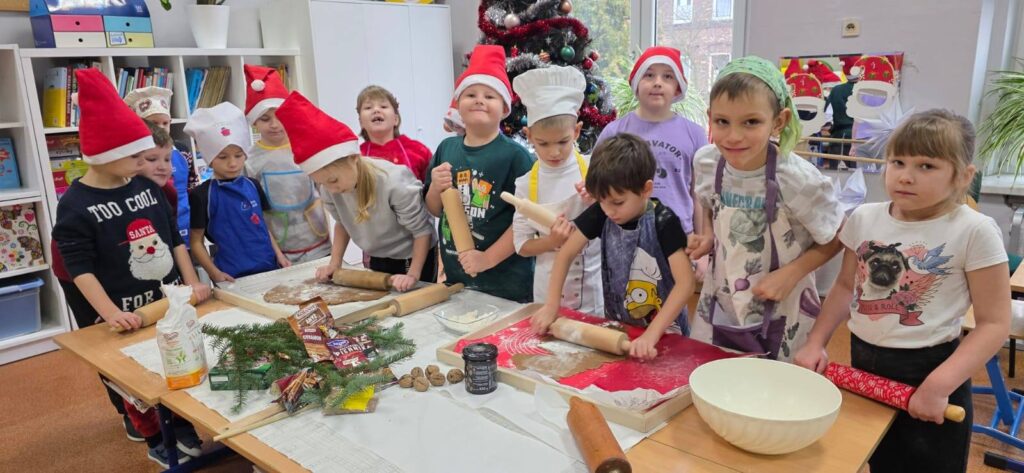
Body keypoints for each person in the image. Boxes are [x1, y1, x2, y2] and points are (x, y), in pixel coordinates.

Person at [795, 110, 1010, 473]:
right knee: (878, 458)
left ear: (963, 176)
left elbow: (994, 323)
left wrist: (938, 386)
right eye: (898, 161)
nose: (906, 176)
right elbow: (846, 286)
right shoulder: (865, 218)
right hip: (865, 363)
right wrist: (816, 341)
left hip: (933, 370)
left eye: (927, 166)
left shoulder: (974, 230)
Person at [52, 68, 210, 467]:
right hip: (122, 308)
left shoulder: (144, 187)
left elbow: (173, 238)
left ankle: (178, 418)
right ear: (105, 153)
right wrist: (111, 315)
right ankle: (154, 430)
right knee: (132, 376)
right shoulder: (75, 206)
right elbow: (80, 269)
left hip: (166, 299)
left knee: (176, 356)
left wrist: (191, 282)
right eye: (136, 156)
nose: (145, 163)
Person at [687, 56, 844, 362]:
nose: (733, 136)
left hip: (784, 305)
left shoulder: (797, 178)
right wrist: (707, 237)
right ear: (710, 118)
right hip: (722, 297)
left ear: (779, 121)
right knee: (718, 377)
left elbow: (839, 234)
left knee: (776, 391)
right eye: (722, 121)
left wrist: (792, 273)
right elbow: (707, 203)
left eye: (751, 122)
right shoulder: (707, 162)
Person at [530, 134, 695, 360]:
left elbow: (685, 284)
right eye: (602, 201)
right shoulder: (602, 212)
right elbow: (566, 253)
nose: (609, 211)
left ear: (646, 189)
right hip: (621, 327)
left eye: (618, 202)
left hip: (666, 330)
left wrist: (651, 334)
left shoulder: (664, 222)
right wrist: (551, 305)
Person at [276, 92, 438, 291]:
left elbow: (422, 232)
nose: (331, 189)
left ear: (353, 158)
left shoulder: (394, 182)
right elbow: (343, 224)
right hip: (377, 254)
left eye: (333, 180)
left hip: (412, 253)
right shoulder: (330, 187)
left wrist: (413, 274)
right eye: (323, 184)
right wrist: (335, 263)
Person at [423, 45, 534, 302]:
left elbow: (526, 222)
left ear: (505, 109)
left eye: (490, 96)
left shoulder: (516, 157)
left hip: (506, 283)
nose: (479, 100)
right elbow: (435, 209)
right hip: (456, 277)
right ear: (458, 105)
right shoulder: (446, 149)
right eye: (470, 94)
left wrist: (486, 259)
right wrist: (434, 189)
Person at [510, 66, 602, 314]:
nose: (554, 152)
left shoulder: (594, 170)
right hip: (546, 295)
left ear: (577, 131)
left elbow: (620, 220)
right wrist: (552, 241)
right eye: (543, 143)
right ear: (529, 136)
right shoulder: (526, 184)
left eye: (563, 141)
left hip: (592, 293)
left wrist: (599, 198)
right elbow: (521, 245)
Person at [595, 46, 707, 235]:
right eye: (649, 75)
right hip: (625, 235)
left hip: (681, 236)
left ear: (678, 87)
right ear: (636, 84)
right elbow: (599, 188)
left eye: (668, 77)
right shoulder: (614, 131)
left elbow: (700, 195)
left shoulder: (695, 134)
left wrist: (702, 245)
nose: (657, 83)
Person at [185, 102, 289, 282]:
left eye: (239, 156)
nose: (232, 163)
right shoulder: (201, 195)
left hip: (269, 267)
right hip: (230, 275)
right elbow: (195, 242)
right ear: (209, 158)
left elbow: (262, 226)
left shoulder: (253, 185)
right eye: (223, 157)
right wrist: (214, 273)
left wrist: (279, 255)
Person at [243, 64, 331, 263]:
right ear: (254, 121)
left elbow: (326, 190)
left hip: (320, 241)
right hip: (282, 246)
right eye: (265, 119)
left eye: (280, 117)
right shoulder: (250, 159)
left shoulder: (306, 146)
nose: (274, 124)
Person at [124, 86, 196, 245]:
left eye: (165, 123)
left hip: (185, 219)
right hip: (152, 223)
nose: (161, 128)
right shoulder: (132, 157)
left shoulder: (182, 150)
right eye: (154, 123)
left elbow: (192, 183)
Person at [356, 85, 433, 181]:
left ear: (396, 119)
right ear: (361, 123)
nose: (376, 110)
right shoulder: (356, 158)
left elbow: (432, 189)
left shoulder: (419, 151)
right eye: (368, 107)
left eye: (383, 106)